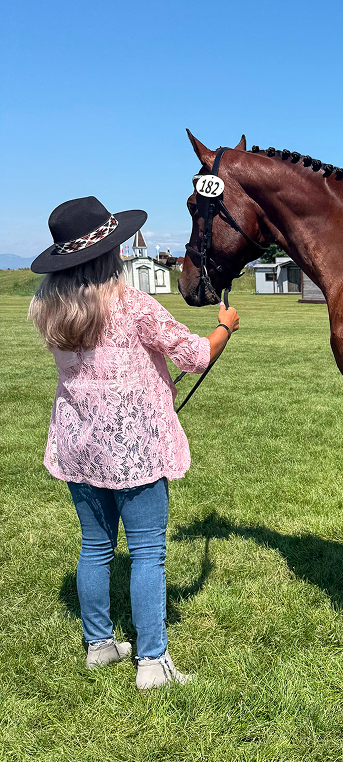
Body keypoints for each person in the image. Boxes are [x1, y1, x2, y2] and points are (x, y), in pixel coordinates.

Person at [29, 196, 239, 689]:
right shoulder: (132, 304)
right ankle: (153, 661)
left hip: (79, 444)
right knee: (147, 552)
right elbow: (193, 356)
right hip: (135, 448)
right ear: (108, 253)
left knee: (95, 546)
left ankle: (99, 644)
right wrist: (224, 327)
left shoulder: (49, 308)